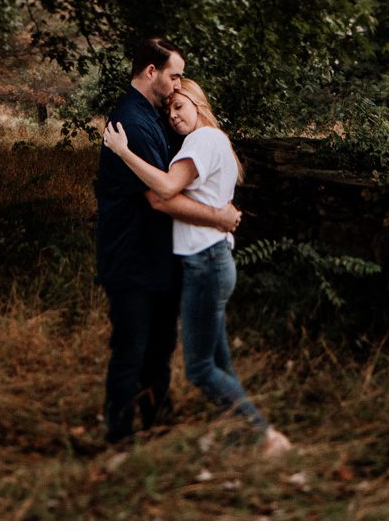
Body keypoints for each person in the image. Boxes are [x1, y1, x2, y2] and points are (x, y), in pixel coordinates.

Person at [104, 76, 292, 454]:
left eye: (180, 106)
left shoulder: (203, 139)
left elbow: (165, 190)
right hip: (211, 260)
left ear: (198, 104)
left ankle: (265, 436)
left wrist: (124, 152)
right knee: (220, 363)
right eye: (169, 111)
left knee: (200, 368)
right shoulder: (210, 140)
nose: (173, 116)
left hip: (205, 263)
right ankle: (247, 434)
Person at [94, 38, 241, 445]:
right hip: (132, 257)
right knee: (131, 350)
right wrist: (219, 217)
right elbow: (161, 197)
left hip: (159, 257)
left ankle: (158, 426)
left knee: (158, 349)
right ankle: (120, 438)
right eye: (174, 76)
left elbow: (187, 179)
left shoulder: (157, 116)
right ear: (151, 71)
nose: (177, 85)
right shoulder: (131, 122)